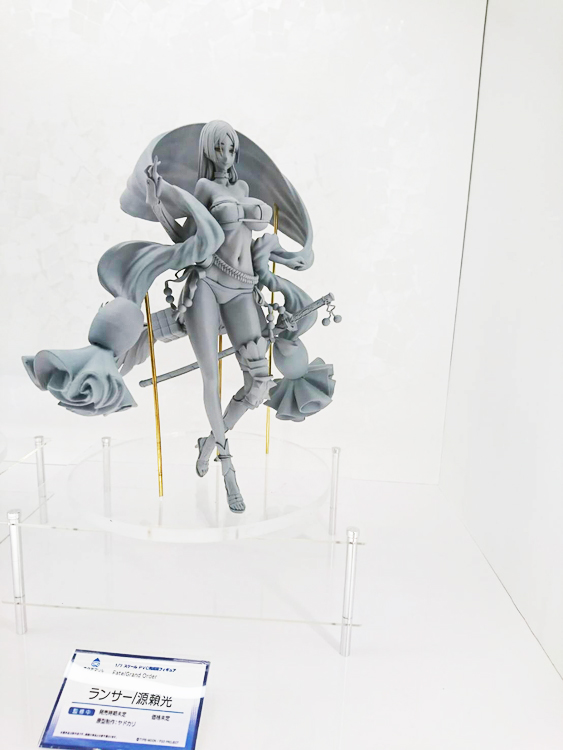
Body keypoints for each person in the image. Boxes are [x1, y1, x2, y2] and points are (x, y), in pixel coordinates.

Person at [23, 121, 336, 513]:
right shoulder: (203, 189)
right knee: (210, 378)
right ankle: (227, 466)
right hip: (208, 286)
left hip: (243, 288)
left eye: (230, 148)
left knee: (258, 384)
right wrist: (159, 203)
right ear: (207, 151)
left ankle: (210, 441)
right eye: (218, 148)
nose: (226, 156)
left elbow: (258, 240)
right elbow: (186, 238)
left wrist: (284, 256)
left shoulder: (243, 189)